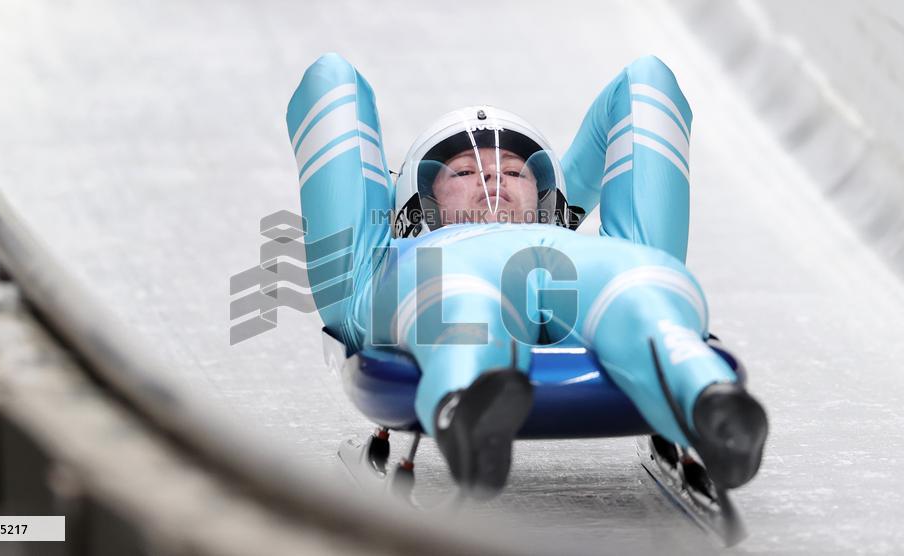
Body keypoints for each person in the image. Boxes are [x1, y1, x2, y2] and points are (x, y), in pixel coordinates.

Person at [285, 52, 768, 499]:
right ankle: (471, 405)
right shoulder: (402, 254)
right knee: (458, 300)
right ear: (417, 204)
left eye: (516, 173)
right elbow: (330, 82)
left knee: (635, 286)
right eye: (462, 173)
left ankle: (712, 404)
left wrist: (562, 216)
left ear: (550, 201)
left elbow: (643, 84)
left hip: (564, 259)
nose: (493, 180)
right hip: (446, 261)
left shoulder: (577, 240)